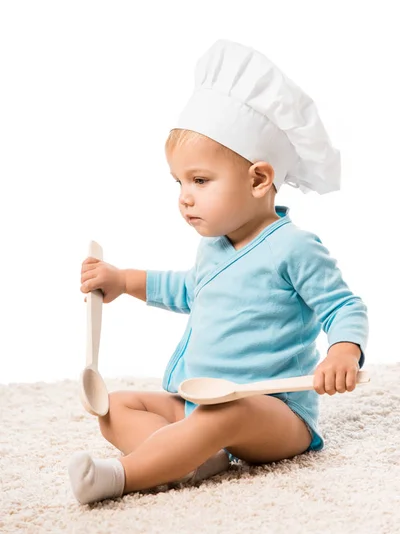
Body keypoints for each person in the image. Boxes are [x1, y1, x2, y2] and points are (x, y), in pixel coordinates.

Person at [68, 39, 369, 504]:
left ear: (258, 180)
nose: (184, 197)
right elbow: (189, 289)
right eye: (179, 182)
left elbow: (343, 306)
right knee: (114, 406)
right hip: (199, 399)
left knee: (223, 416)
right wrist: (123, 281)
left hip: (272, 410)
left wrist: (343, 353)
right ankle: (195, 458)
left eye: (200, 181)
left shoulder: (294, 247)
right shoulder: (214, 247)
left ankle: (124, 476)